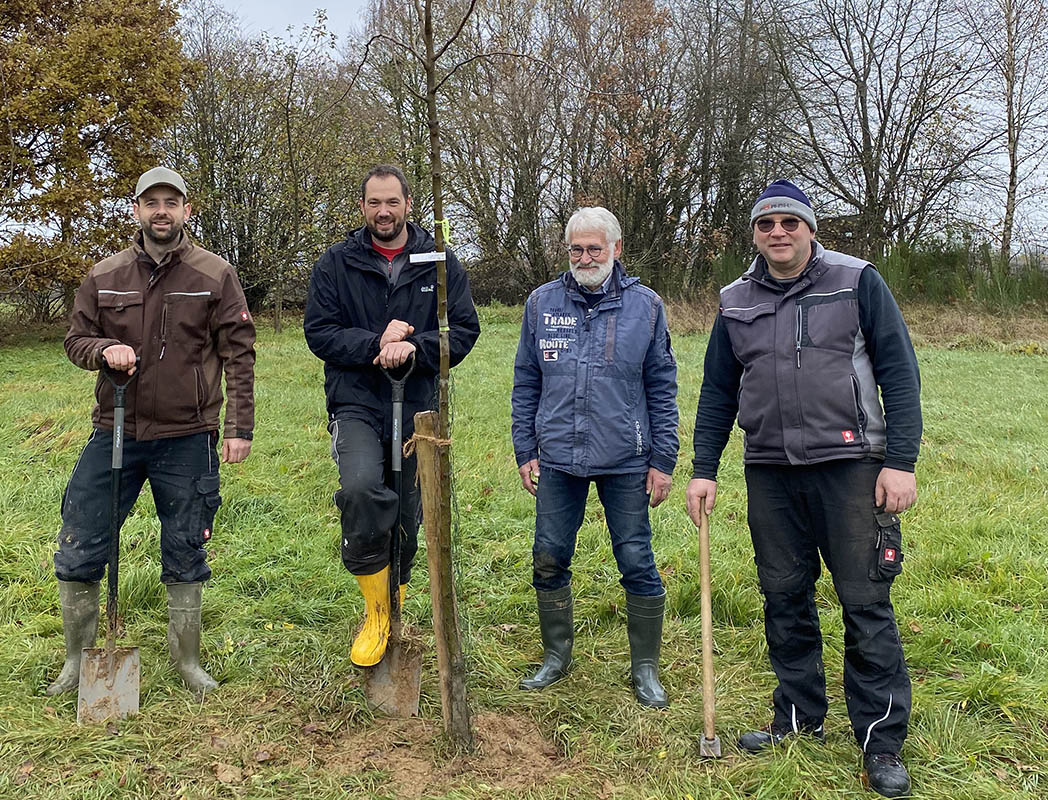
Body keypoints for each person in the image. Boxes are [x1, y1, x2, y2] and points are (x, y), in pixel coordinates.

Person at [684, 180, 920, 797]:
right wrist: (704, 468)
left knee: (864, 603)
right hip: (770, 470)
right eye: (766, 224)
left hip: (852, 467)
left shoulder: (857, 280)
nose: (778, 233)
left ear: (810, 228)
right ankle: (796, 717)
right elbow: (717, 390)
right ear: (754, 234)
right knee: (784, 598)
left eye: (791, 221)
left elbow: (899, 372)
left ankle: (881, 741)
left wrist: (901, 461)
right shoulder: (735, 299)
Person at [48, 166, 256, 697]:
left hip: (189, 435)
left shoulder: (215, 275)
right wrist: (103, 351)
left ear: (188, 210)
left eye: (172, 202)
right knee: (80, 541)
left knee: (186, 545)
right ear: (136, 210)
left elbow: (239, 353)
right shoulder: (105, 275)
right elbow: (76, 341)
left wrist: (238, 427)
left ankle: (187, 661)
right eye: (151, 202)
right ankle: (77, 662)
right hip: (115, 427)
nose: (161, 211)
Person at [304, 164, 480, 667]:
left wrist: (414, 347)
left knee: (407, 507)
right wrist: (375, 344)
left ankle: (396, 597)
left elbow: (463, 332)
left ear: (408, 205)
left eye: (392, 203)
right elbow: (319, 332)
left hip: (418, 402)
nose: (384, 212)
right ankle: (375, 612)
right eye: (374, 203)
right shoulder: (336, 263)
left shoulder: (439, 262)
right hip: (356, 400)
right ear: (362, 207)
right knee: (361, 491)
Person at [510, 206, 679, 706]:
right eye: (576, 250)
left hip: (627, 457)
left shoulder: (646, 307)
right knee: (548, 557)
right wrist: (525, 449)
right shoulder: (542, 304)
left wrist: (663, 460)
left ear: (616, 250)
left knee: (637, 560)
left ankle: (645, 668)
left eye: (594, 249)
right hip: (558, 457)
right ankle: (556, 656)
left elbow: (662, 386)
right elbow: (526, 381)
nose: (585, 258)